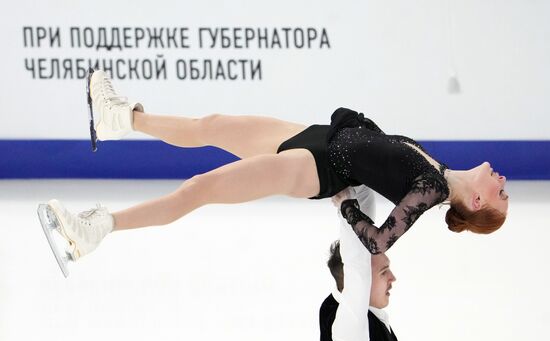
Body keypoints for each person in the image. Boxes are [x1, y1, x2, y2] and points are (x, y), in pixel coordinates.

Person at [41, 69, 508, 261]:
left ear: (479, 200)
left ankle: (94, 231)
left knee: (200, 187)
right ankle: (120, 117)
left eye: (501, 194)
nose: (503, 182)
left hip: (316, 169)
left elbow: (381, 241)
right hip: (318, 137)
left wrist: (346, 206)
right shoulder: (439, 167)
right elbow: (381, 152)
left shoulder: (430, 189)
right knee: (212, 123)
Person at [319, 186, 400, 341]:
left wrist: (360, 185)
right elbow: (356, 266)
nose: (392, 278)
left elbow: (360, 248)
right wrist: (345, 208)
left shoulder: (352, 308)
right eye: (383, 271)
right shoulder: (349, 330)